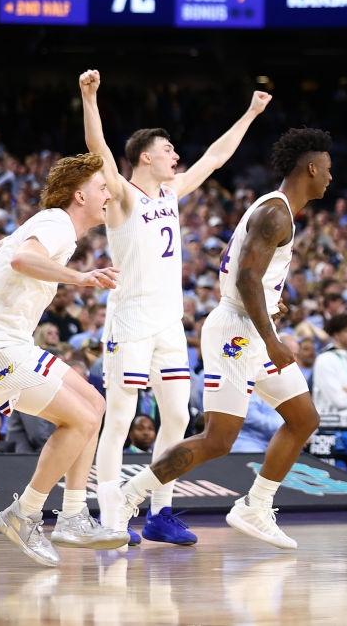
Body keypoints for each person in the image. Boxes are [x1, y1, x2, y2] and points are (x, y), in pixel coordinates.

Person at [109, 127, 332, 550]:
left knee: (304, 419)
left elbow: (246, 279)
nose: (330, 178)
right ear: (311, 168)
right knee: (218, 439)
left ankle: (256, 505)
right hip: (238, 333)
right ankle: (127, 497)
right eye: (327, 170)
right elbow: (247, 279)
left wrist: (268, 306)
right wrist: (270, 336)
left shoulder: (277, 209)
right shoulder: (276, 214)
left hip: (250, 324)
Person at [80, 70, 271, 546]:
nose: (176, 156)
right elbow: (99, 149)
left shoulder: (171, 192)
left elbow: (215, 156)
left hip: (169, 322)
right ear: (146, 157)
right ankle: (109, 516)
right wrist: (89, 97)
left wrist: (250, 113)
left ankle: (160, 512)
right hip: (130, 320)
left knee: (178, 417)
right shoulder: (123, 195)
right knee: (120, 418)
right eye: (168, 151)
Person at [0, 153, 127, 565]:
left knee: (96, 405)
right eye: (102, 187)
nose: (109, 193)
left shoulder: (43, 225)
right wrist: (82, 278)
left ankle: (74, 514)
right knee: (80, 419)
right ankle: (24, 513)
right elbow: (21, 259)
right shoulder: (57, 223)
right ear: (80, 195)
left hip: (7, 341)